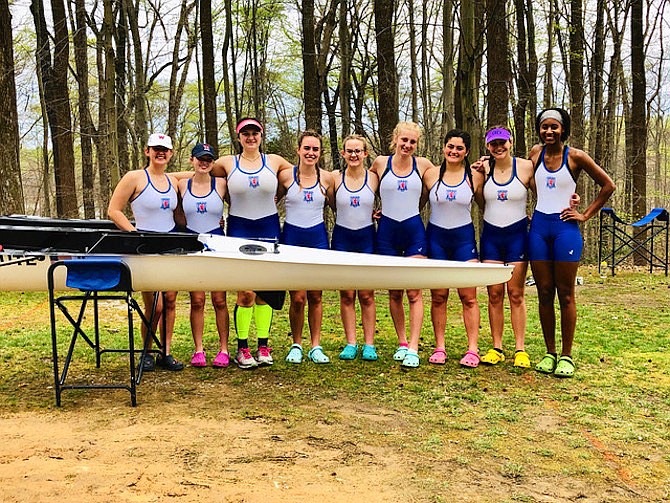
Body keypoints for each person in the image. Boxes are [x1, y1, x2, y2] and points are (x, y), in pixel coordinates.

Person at [528, 108, 615, 377]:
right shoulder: (534, 154)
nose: (549, 131)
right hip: (539, 228)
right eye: (544, 127)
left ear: (564, 129)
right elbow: (526, 180)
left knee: (565, 294)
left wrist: (585, 214)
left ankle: (566, 356)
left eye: (554, 127)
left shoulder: (576, 156)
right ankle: (549, 352)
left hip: (566, 229)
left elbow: (608, 185)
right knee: (544, 292)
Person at [210, 118, 293, 369]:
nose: (250, 137)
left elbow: (305, 175)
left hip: (268, 226)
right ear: (238, 137)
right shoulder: (227, 162)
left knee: (265, 291)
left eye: (254, 132)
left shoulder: (275, 161)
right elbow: (199, 172)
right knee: (245, 292)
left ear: (261, 135)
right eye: (245, 133)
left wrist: (282, 191)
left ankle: (264, 345)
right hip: (239, 227)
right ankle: (243, 347)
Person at [107, 132, 183, 371]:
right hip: (144, 246)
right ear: (147, 151)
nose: (160, 153)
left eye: (165, 150)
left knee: (170, 301)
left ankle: (166, 352)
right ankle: (147, 351)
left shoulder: (173, 181)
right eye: (156, 148)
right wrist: (134, 234)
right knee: (155, 306)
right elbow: (114, 210)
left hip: (169, 245)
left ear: (171, 154)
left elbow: (201, 173)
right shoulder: (135, 177)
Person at [369, 122, 432, 368]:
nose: (407, 145)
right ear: (395, 139)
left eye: (412, 142)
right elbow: (362, 187)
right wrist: (370, 211)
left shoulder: (424, 165)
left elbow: (446, 179)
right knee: (394, 292)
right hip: (386, 232)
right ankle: (402, 342)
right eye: (404, 140)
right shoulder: (380, 163)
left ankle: (414, 347)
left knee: (414, 291)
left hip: (413, 229)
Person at [421, 129, 484, 368]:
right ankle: (439, 347)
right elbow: (415, 206)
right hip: (436, 238)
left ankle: (473, 349)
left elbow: (487, 206)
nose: (454, 151)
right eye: (450, 146)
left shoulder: (476, 176)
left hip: (464, 240)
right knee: (439, 296)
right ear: (443, 147)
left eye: (459, 148)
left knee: (468, 297)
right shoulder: (431, 175)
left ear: (467, 151)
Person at [474, 126, 535, 369]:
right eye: (493, 144)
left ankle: (520, 349)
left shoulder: (525, 167)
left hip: (517, 236)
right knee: (494, 294)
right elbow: (479, 201)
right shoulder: (484, 168)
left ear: (510, 142)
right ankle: (497, 346)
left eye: (503, 142)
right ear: (488, 146)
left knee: (516, 294)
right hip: (491, 236)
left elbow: (544, 194)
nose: (498, 147)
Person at [277, 131, 335, 364]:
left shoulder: (328, 179)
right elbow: (269, 201)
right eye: (307, 148)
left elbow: (338, 206)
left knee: (316, 295)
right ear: (298, 150)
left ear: (320, 153)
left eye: (315, 149)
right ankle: (296, 344)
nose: (311, 153)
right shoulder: (285, 176)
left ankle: (316, 346)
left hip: (318, 238)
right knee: (298, 297)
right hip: (292, 237)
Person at [177, 142, 230, 368]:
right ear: (192, 160)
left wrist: (225, 223)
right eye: (200, 158)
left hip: (216, 241)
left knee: (219, 299)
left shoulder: (221, 184)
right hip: (192, 242)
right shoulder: (181, 184)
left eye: (208, 159)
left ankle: (224, 349)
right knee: (197, 300)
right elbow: (178, 215)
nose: (204, 162)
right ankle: (198, 349)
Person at [331, 134, 380, 361]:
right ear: (343, 153)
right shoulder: (334, 178)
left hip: (367, 237)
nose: (353, 155)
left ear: (365, 154)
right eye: (349, 151)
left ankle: (369, 344)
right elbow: (331, 202)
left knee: (367, 294)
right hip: (342, 237)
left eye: (358, 151)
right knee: (347, 294)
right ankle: (351, 342)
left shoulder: (374, 178)